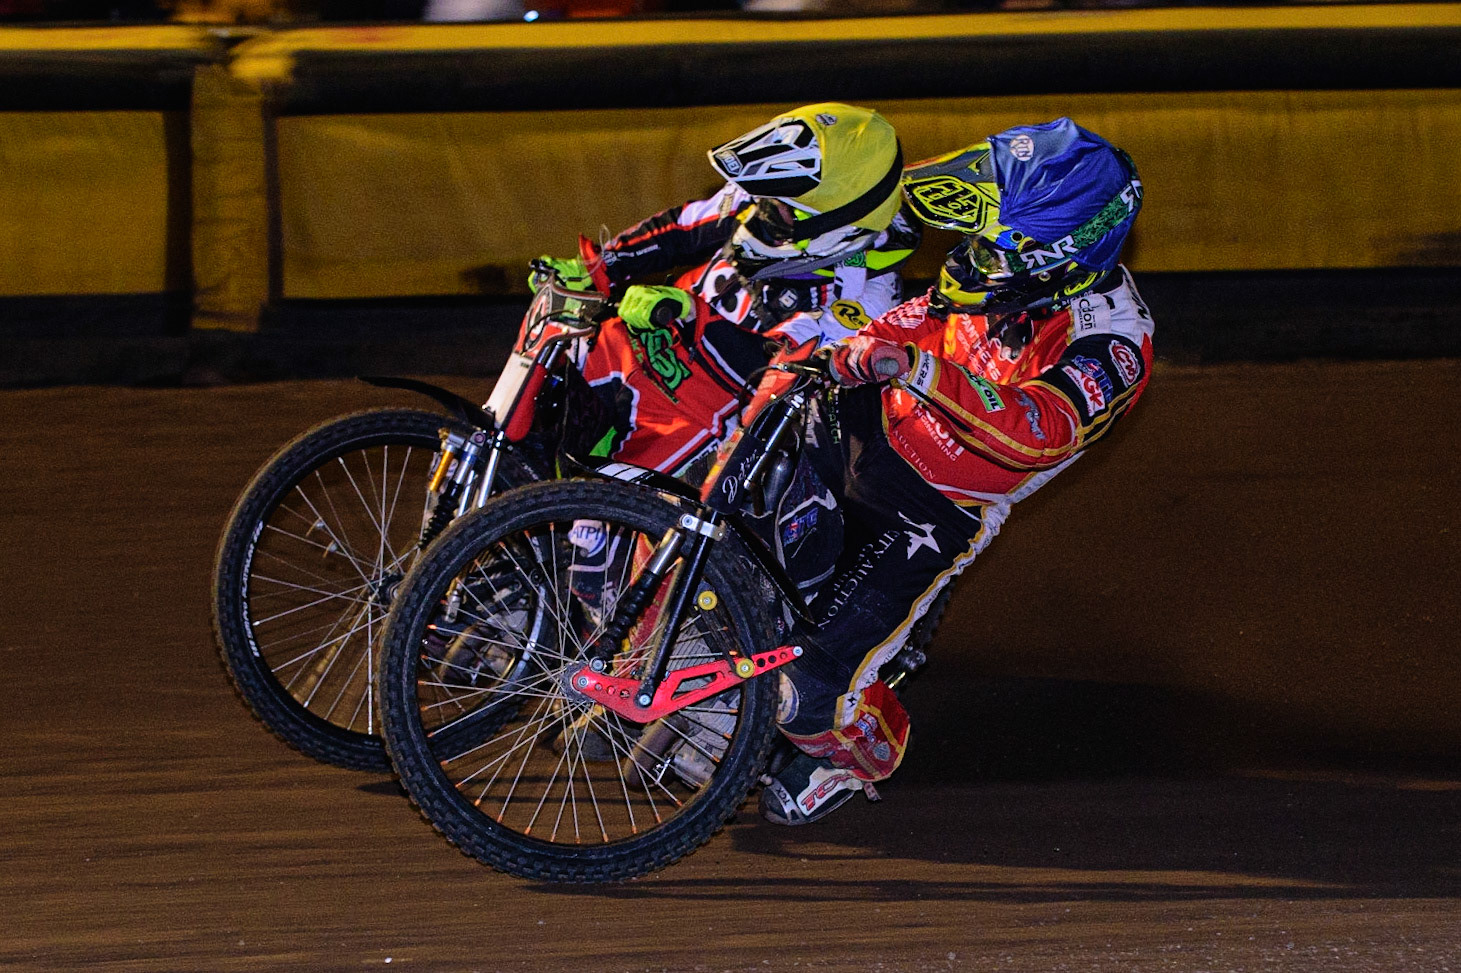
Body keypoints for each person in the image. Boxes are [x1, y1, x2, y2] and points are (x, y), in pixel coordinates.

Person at [759, 117, 1155, 825]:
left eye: (995, 250)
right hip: (868, 424)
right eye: (975, 241)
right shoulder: (1006, 266)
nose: (971, 262)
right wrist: (867, 342)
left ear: (1059, 258)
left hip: (934, 506)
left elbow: (1036, 435)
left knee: (803, 697)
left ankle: (863, 747)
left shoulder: (1113, 342)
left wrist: (919, 369)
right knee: (740, 489)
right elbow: (922, 312)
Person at [538, 102, 920, 483]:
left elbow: (778, 365)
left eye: (780, 206)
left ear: (832, 223)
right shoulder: (771, 196)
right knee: (538, 388)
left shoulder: (867, 298)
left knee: (592, 524)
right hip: (647, 337)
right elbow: (683, 228)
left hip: (710, 414)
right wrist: (599, 266)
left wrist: (692, 313)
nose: (760, 207)